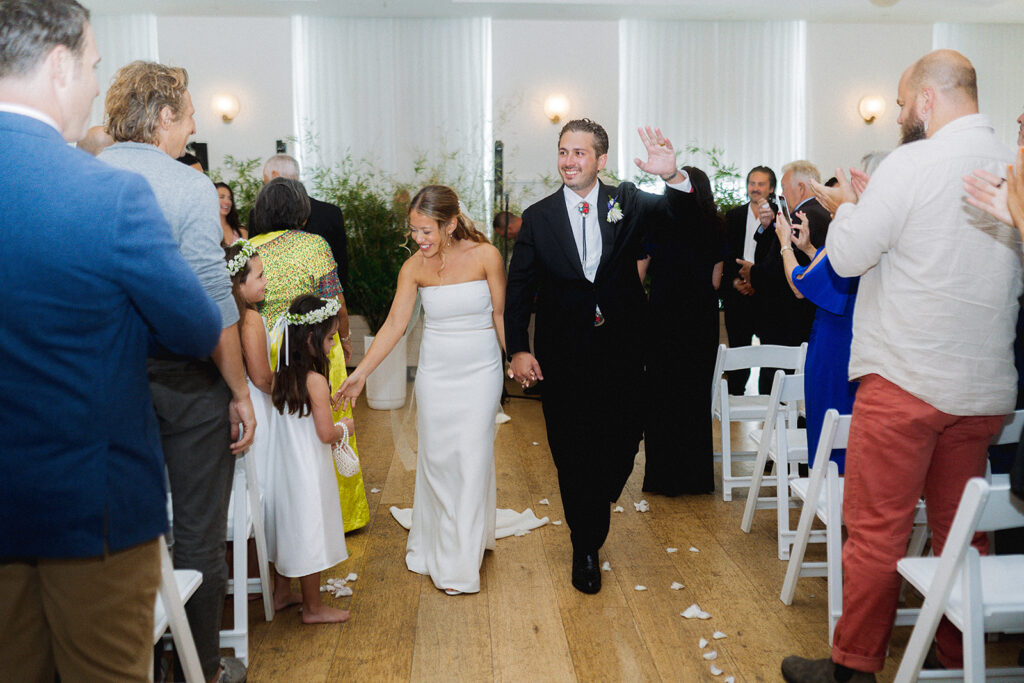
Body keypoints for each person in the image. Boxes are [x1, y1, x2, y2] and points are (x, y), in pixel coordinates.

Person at [782, 50, 1022, 683]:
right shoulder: (1011, 167)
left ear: (925, 101)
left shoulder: (911, 162)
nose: (895, 113)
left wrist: (850, 209)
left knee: (876, 530)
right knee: (960, 532)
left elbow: (851, 258)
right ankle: (954, 657)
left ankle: (854, 667)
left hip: (905, 381)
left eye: (898, 101)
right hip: (981, 389)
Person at [0, 2, 221, 680]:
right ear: (60, 64)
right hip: (91, 506)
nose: (96, 85)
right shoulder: (108, 196)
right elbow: (195, 325)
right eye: (93, 65)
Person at [99, 60, 255, 683]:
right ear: (164, 117)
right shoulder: (186, 185)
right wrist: (239, 392)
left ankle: (128, 661)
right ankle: (200, 668)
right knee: (197, 530)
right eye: (188, 114)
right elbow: (215, 304)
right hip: (186, 381)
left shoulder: (85, 175)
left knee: (122, 529)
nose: (192, 126)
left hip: (109, 382)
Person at [505, 120, 697, 594]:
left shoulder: (627, 202)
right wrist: (519, 348)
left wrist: (673, 180)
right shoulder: (538, 216)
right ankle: (585, 546)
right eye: (563, 152)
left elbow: (686, 223)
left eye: (579, 153)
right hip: (563, 353)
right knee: (571, 454)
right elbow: (519, 287)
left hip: (624, 349)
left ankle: (598, 499)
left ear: (600, 160)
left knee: (623, 441)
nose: (569, 161)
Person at [335, 185, 506, 595]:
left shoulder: (487, 256)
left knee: (472, 454)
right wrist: (361, 373)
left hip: (481, 368)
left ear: (450, 224)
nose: (419, 239)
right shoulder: (413, 268)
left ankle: (459, 563)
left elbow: (501, 313)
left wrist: (516, 356)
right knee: (439, 457)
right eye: (413, 230)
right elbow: (395, 325)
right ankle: (447, 540)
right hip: (436, 372)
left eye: (427, 231)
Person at [249, 177, 369, 533]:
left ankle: (283, 519)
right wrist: (344, 337)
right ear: (302, 211)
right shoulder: (315, 244)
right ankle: (340, 517)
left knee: (280, 434)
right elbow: (335, 300)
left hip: (266, 350)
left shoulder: (247, 247)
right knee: (328, 421)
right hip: (314, 347)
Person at [267, 295, 353, 623]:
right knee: (309, 530)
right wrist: (344, 427)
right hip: (308, 471)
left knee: (289, 528)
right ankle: (313, 608)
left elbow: (297, 419)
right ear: (309, 340)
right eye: (330, 338)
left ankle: (280, 593)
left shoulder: (281, 377)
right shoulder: (315, 381)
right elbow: (324, 434)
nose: (332, 346)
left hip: (286, 469)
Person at [637, 165, 721, 496]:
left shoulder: (658, 219)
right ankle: (696, 478)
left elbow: (639, 272)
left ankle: (663, 478)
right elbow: (715, 281)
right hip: (700, 318)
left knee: (661, 392)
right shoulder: (715, 224)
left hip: (664, 315)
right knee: (695, 394)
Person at [773, 208, 858, 471]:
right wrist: (809, 248)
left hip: (833, 346)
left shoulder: (848, 243)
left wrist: (785, 245)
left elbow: (800, 284)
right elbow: (833, 274)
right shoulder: (867, 245)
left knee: (831, 419)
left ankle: (831, 491)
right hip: (857, 340)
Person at [256, 153, 350, 290]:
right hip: (324, 300)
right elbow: (340, 267)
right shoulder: (331, 213)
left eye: (265, 180)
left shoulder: (258, 215)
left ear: (275, 176)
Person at [722, 166, 776, 394]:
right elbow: (725, 255)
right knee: (738, 352)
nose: (755, 188)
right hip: (738, 295)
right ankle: (734, 399)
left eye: (761, 184)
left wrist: (757, 281)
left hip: (767, 296)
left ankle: (770, 403)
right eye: (752, 183)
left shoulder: (779, 216)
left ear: (771, 188)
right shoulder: (733, 216)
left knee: (770, 356)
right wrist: (735, 281)